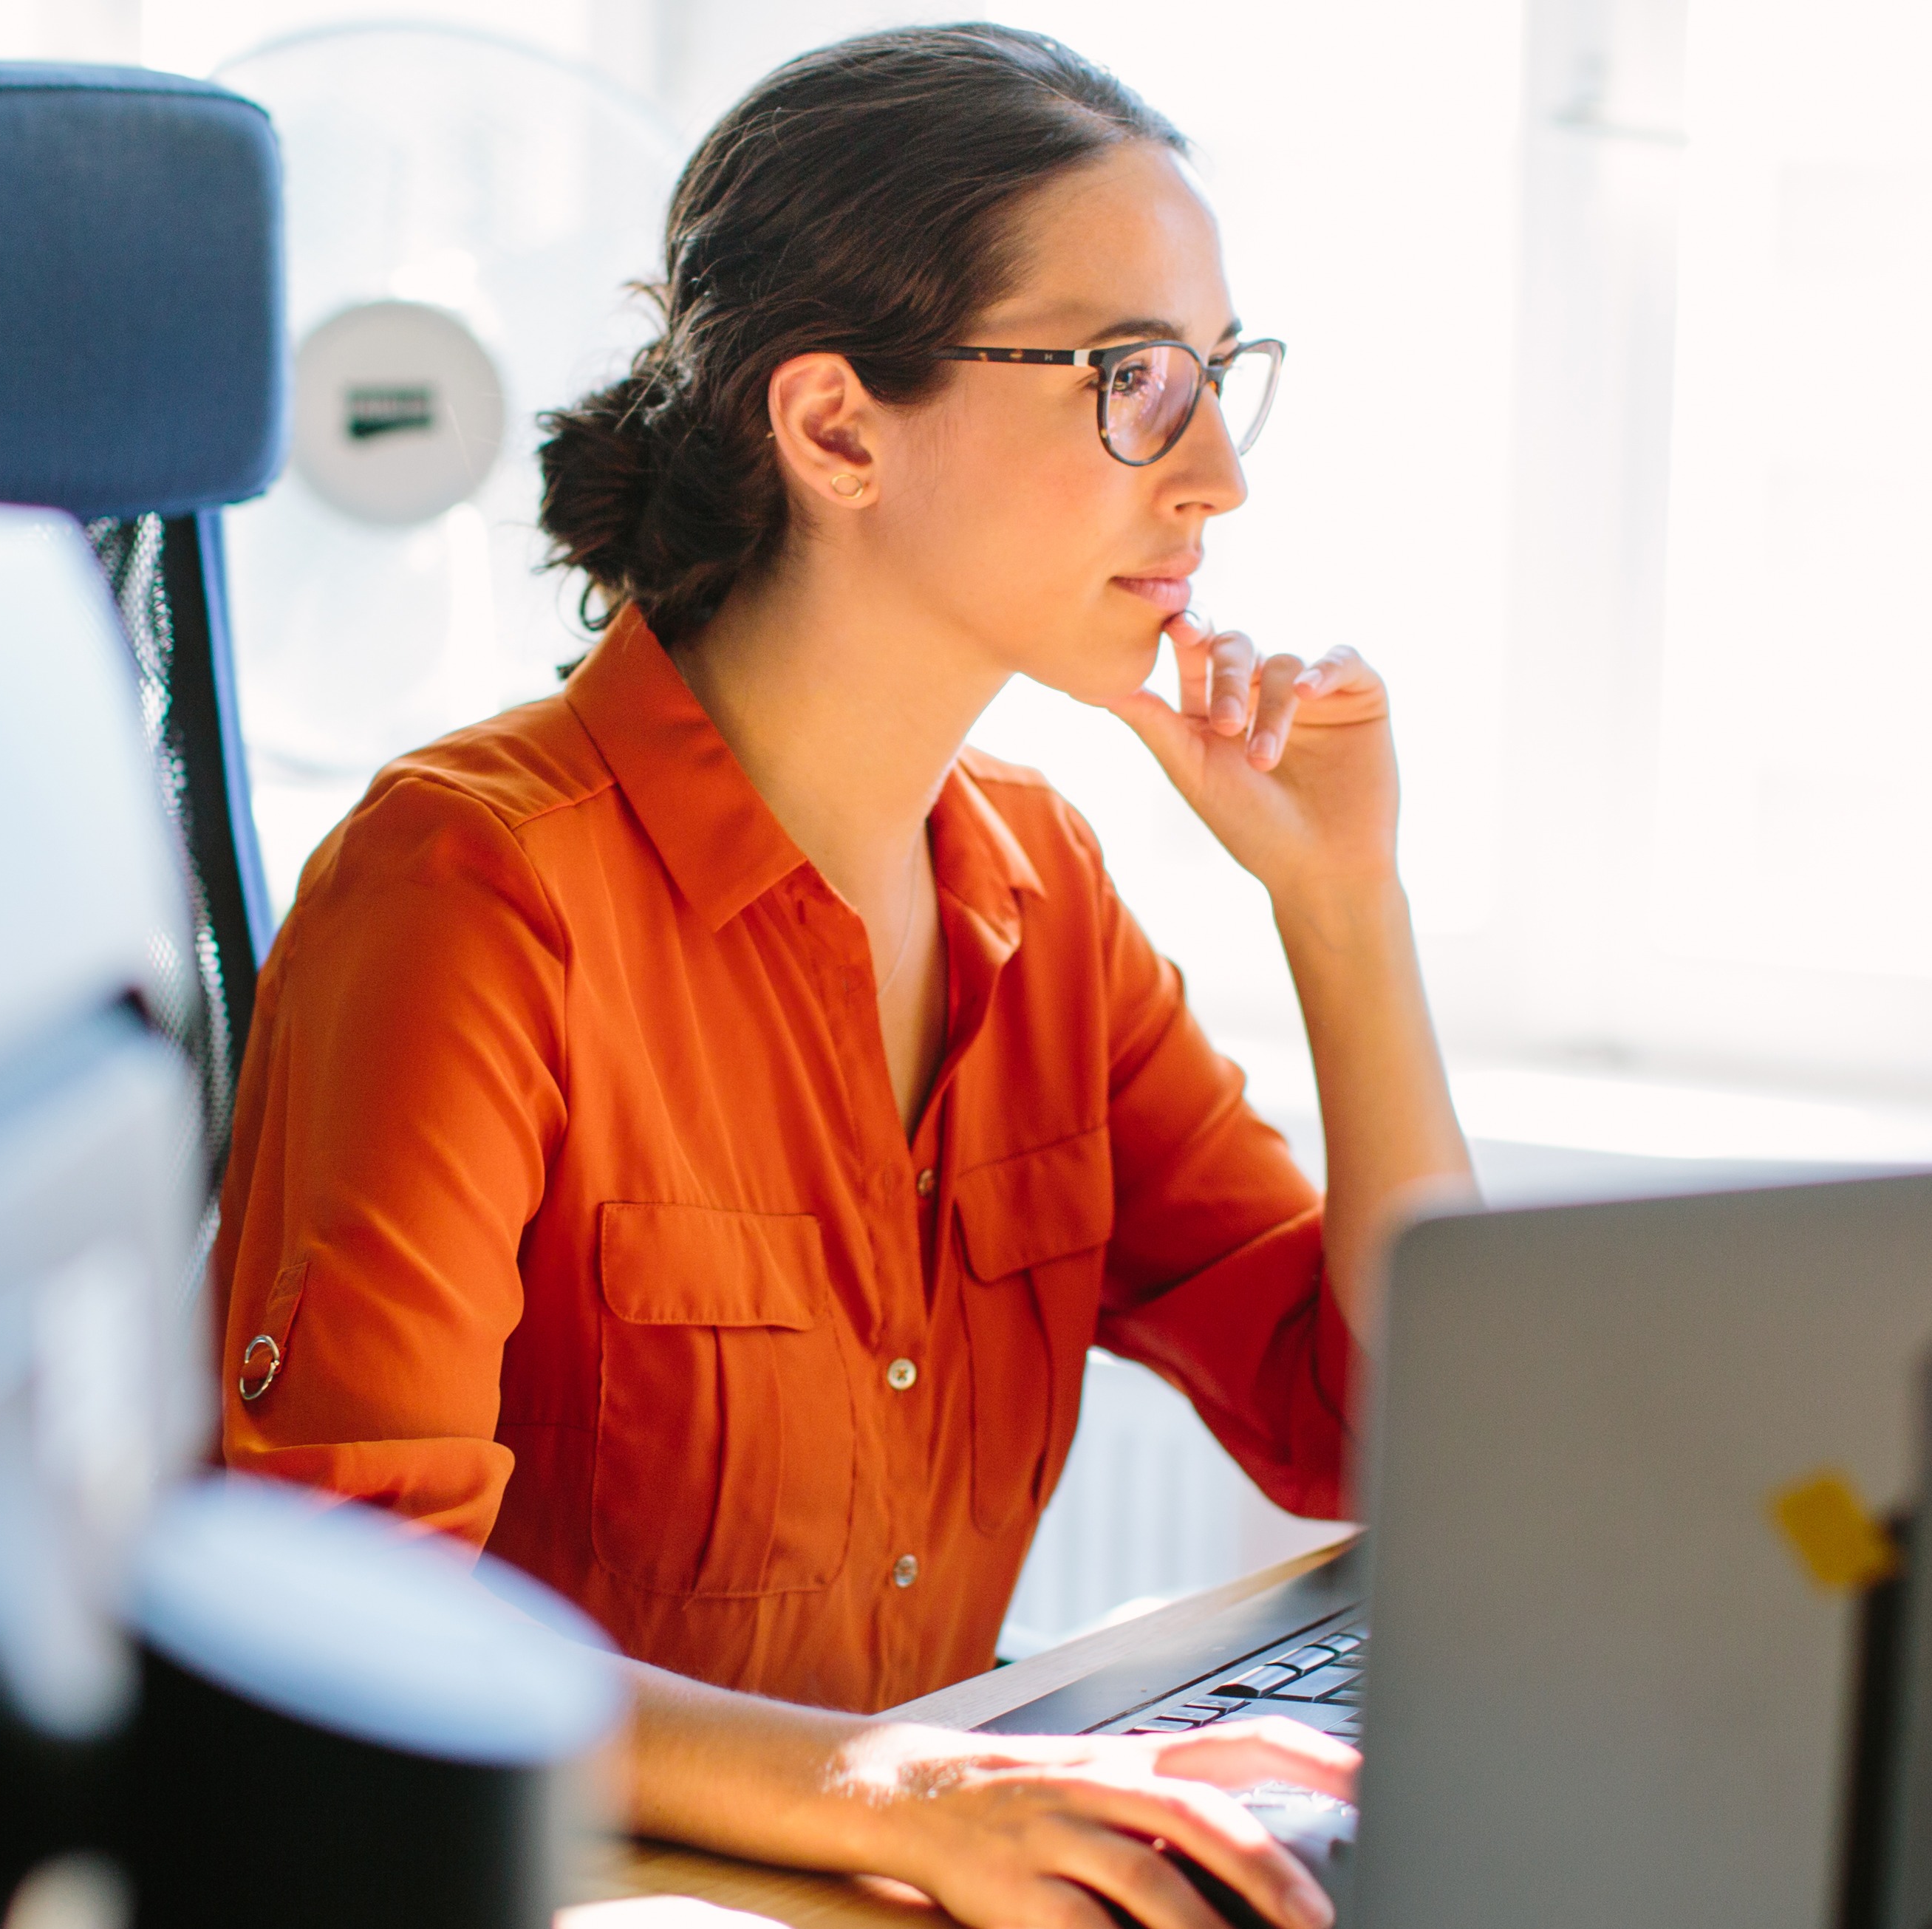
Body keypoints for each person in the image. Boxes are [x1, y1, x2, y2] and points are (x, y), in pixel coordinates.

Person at [207, 24, 1471, 1929]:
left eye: (1222, 385)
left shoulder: (1041, 884)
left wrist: (1348, 910)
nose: (1215, 478)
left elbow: (1375, 1431)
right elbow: (345, 1619)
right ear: (835, 430)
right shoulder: (475, 890)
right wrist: (899, 1785)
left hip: (902, 1875)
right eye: (1133, 381)